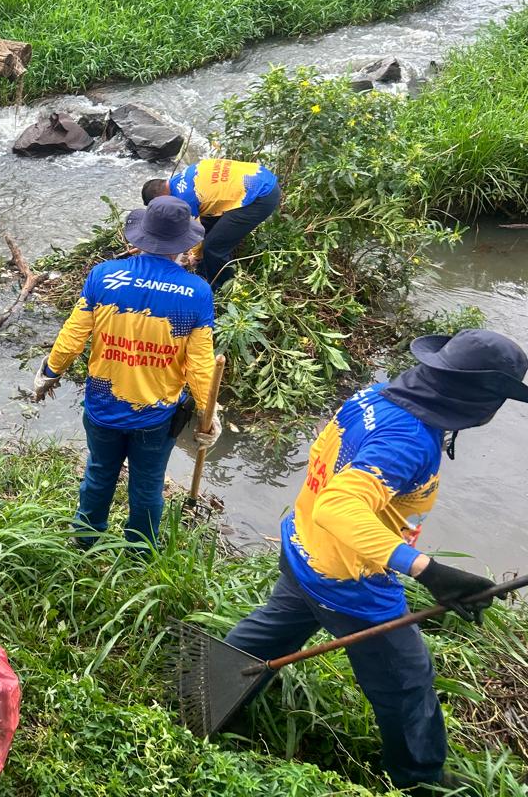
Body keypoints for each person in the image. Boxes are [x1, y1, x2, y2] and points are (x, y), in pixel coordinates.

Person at [224, 329, 528, 793]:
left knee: (272, 629)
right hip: (349, 578)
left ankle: (210, 686)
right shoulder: (409, 439)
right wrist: (429, 570)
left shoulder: (377, 395)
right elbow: (339, 508)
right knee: (406, 680)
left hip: (304, 545)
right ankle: (420, 780)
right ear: (479, 399)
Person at [32, 196, 221, 550]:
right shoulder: (197, 292)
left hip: (103, 405)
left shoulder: (103, 276)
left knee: (98, 474)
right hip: (156, 415)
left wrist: (49, 372)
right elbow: (200, 364)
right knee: (147, 486)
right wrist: (208, 412)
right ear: (184, 245)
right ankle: (140, 551)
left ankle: (85, 541)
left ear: (141, 237)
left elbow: (73, 336)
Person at [143, 157, 280, 288]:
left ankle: (220, 287)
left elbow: (194, 231)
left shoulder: (185, 199)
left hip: (261, 196)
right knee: (208, 229)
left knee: (213, 248)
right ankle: (204, 271)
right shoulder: (180, 178)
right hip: (259, 176)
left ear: (162, 198)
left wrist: (195, 255)